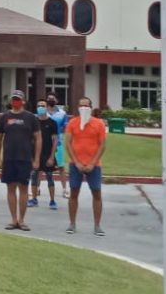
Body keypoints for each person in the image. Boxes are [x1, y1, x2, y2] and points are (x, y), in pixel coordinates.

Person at [0, 90, 41, 231]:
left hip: (25, 158)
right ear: (10, 102)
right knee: (10, 188)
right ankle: (13, 219)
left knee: (24, 189)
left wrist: (36, 159)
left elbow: (38, 138)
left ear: (23, 101)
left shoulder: (30, 118)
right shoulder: (4, 117)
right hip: (9, 158)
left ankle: (22, 220)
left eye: (18, 99)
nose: (16, 101)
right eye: (13, 99)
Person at [65, 97, 107, 236]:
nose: (84, 108)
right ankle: (72, 224)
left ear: (91, 107)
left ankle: (97, 225)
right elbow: (68, 144)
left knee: (96, 193)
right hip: (75, 164)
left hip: (94, 165)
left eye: (86, 106)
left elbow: (102, 145)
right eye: (81, 106)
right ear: (77, 107)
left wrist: (93, 163)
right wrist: (76, 161)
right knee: (74, 193)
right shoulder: (72, 123)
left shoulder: (98, 124)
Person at [31, 99, 60, 210]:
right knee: (34, 176)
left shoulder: (52, 123)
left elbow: (55, 140)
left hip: (47, 154)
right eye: (38, 106)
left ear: (47, 107)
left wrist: (52, 157)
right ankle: (34, 199)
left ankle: (52, 201)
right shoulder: (34, 122)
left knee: (49, 177)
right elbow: (30, 139)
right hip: (35, 154)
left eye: (42, 105)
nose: (40, 107)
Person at [46, 91, 70, 198]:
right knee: (41, 167)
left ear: (56, 101)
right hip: (44, 142)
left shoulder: (62, 113)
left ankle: (65, 190)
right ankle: (35, 188)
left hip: (58, 143)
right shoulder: (42, 112)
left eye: (52, 98)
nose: (50, 100)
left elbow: (65, 128)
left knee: (61, 167)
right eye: (49, 98)